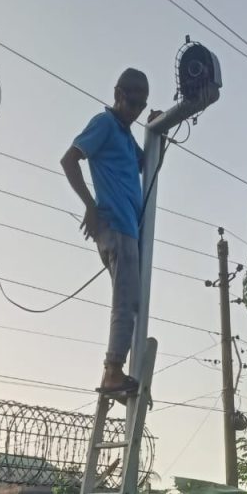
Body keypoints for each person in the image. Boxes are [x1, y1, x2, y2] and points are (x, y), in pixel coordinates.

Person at [61, 68, 160, 404]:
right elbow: (69, 159)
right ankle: (113, 370)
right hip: (115, 226)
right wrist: (90, 206)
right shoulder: (104, 124)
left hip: (129, 228)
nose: (134, 111)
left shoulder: (125, 134)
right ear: (118, 94)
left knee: (130, 300)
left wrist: (158, 129)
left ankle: (116, 370)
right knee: (125, 301)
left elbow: (146, 163)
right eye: (131, 102)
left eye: (141, 106)